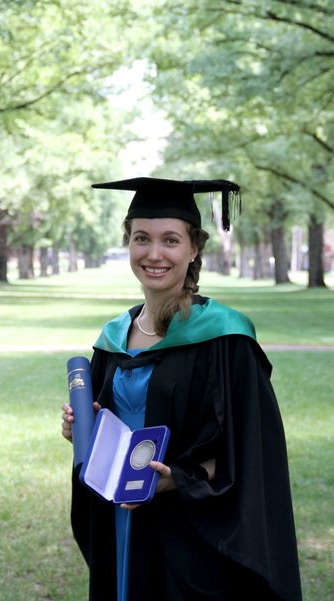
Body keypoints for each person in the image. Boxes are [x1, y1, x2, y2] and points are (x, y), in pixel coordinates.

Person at [62, 177, 302, 601]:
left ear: (193, 250)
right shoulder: (114, 336)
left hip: (192, 534)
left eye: (170, 240)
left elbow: (249, 449)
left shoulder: (225, 338)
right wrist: (85, 432)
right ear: (129, 244)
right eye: (142, 239)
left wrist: (180, 480)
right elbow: (113, 427)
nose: (154, 254)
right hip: (122, 520)